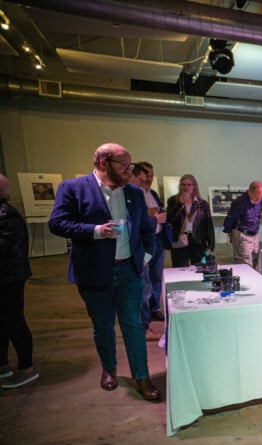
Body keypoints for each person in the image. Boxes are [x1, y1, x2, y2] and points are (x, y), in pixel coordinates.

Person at [48, 143, 159, 401]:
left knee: (133, 324)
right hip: (95, 272)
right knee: (103, 325)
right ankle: (109, 369)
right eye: (123, 165)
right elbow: (57, 223)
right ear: (102, 163)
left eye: (129, 165)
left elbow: (146, 227)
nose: (128, 170)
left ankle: (141, 377)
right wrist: (95, 231)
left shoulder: (132, 192)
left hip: (129, 271)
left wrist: (147, 257)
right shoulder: (73, 188)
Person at [0, 174, 38, 388]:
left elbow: (6, 247)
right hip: (7, 276)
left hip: (9, 278)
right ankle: (3, 365)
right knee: (4, 322)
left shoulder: (6, 215)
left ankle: (27, 368)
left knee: (14, 321)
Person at [129, 162, 169, 341]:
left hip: (157, 241)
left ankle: (154, 310)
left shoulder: (151, 193)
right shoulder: (132, 194)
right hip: (142, 245)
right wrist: (153, 217)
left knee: (156, 278)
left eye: (151, 176)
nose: (149, 179)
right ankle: (143, 325)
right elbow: (138, 220)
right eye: (145, 176)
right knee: (144, 285)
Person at [166, 174, 214, 267]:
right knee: (180, 270)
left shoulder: (202, 204)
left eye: (189, 184)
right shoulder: (173, 201)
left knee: (199, 270)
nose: (186, 187)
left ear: (194, 186)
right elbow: (170, 219)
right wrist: (180, 204)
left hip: (197, 241)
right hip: (179, 241)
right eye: (183, 184)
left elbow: (208, 225)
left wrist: (211, 245)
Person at [223, 180, 262, 267]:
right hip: (242, 235)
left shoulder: (260, 200)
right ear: (249, 191)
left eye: (260, 197)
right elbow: (230, 219)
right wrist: (229, 232)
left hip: (255, 235)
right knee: (245, 264)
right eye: (256, 197)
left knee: (255, 262)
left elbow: (258, 215)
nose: (258, 200)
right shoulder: (239, 202)